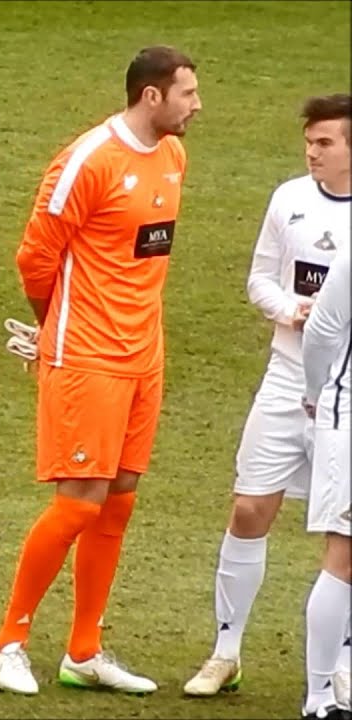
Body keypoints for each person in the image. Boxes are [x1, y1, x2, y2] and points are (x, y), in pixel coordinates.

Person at [0, 46, 201, 695]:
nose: (198, 104)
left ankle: (85, 649)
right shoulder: (89, 161)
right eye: (188, 93)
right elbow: (35, 257)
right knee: (80, 501)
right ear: (152, 96)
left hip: (144, 354)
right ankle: (9, 642)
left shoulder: (172, 156)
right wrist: (57, 329)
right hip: (86, 355)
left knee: (121, 492)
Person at [184, 93, 352, 697]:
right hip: (286, 376)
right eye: (310, 141)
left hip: (348, 392)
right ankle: (225, 651)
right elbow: (260, 277)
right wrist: (292, 309)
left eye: (326, 142)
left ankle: (342, 664)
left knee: (345, 535)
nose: (312, 151)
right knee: (250, 508)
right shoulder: (290, 199)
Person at [298, 127, 352, 720]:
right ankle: (318, 700)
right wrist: (319, 399)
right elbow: (323, 331)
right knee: (345, 552)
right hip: (348, 410)